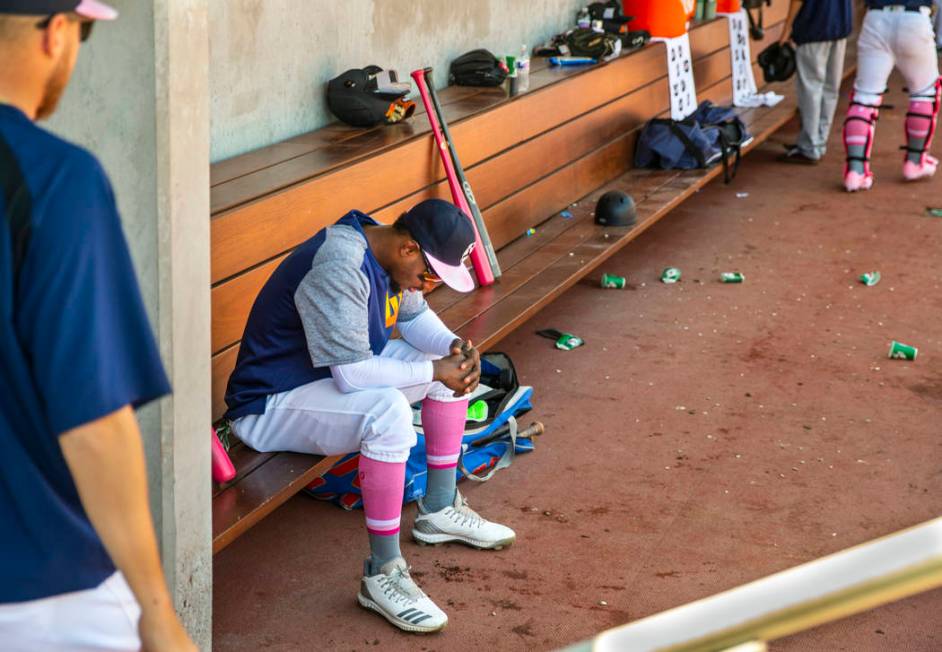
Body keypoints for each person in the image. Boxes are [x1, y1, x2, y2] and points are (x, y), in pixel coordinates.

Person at [224, 199, 516, 633]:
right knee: (388, 410)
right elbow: (354, 376)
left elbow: (417, 322)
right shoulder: (340, 265)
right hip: (271, 403)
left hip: (321, 377)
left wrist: (456, 350)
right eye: (430, 275)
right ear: (408, 249)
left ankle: (437, 509)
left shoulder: (388, 250)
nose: (429, 285)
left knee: (445, 368)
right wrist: (435, 369)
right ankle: (383, 574)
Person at [0, 1, 195, 650]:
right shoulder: (55, 178)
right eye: (82, 30)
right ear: (56, 32)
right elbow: (93, 425)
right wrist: (157, 608)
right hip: (41, 587)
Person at [843, 0, 940, 191]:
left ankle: (855, 172)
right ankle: (915, 161)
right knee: (925, 93)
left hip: (876, 17)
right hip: (914, 17)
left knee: (864, 97)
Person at [777, 0, 854, 165]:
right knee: (830, 88)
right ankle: (819, 141)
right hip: (840, 24)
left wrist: (787, 28)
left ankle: (810, 146)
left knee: (811, 88)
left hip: (814, 25)